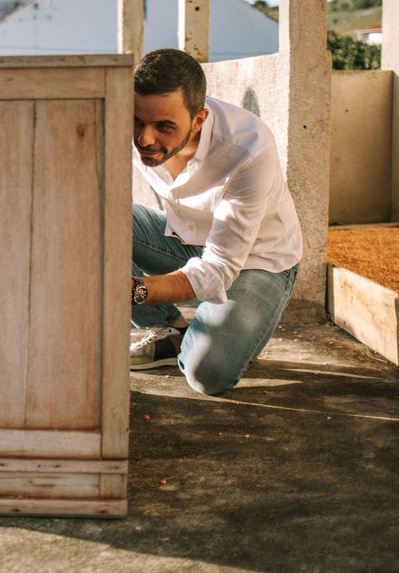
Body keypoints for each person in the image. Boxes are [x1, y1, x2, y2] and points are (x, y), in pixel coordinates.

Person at [129, 48, 302, 395]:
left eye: (164, 127)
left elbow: (219, 269)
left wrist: (133, 291)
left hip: (258, 261)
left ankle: (222, 334)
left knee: (208, 373)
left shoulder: (249, 149)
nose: (144, 139)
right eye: (136, 121)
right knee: (96, 223)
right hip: (187, 242)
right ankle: (169, 332)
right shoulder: (131, 120)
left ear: (198, 120)